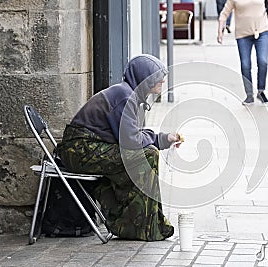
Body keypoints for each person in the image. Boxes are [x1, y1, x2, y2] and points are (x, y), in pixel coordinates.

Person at [56, 54, 182, 241]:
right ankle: (140, 225)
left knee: (146, 154)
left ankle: (142, 223)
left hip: (86, 148)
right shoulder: (125, 97)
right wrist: (158, 140)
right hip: (79, 150)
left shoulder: (128, 94)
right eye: (156, 77)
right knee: (147, 155)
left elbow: (131, 137)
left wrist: (163, 139)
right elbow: (131, 141)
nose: (162, 80)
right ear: (143, 79)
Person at [217, 0, 268, 105]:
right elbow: (224, 14)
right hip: (242, 35)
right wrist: (220, 32)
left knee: (263, 61)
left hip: (262, 31)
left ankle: (261, 91)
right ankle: (249, 94)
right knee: (245, 64)